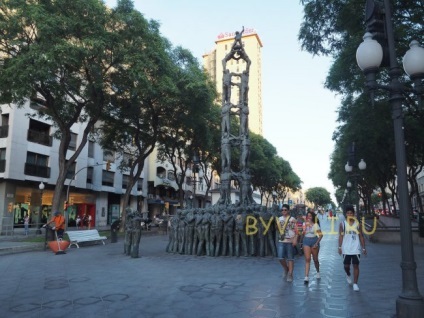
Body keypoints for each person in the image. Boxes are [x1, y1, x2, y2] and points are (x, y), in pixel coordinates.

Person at [338, 205, 367, 292]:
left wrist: (364, 248)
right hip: (346, 248)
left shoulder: (358, 224)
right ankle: (348, 273)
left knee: (356, 265)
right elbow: (341, 236)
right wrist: (339, 247)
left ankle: (355, 283)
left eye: (351, 213)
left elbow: (361, 236)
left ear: (353, 214)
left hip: (356, 248)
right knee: (346, 266)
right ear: (346, 214)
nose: (349, 214)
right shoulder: (342, 224)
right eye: (348, 213)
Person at [277, 204, 298, 282]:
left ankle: (290, 274)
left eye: (285, 210)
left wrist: (295, 239)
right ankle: (286, 269)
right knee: (280, 257)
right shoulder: (279, 219)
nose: (283, 211)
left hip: (290, 240)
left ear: (288, 211)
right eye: (282, 210)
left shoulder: (293, 219)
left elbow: (297, 231)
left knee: (290, 258)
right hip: (282, 240)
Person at [302, 210, 323, 284]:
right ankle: (306, 277)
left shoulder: (315, 225)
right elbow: (303, 233)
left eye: (310, 216)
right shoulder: (304, 224)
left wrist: (316, 243)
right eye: (308, 216)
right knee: (307, 259)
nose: (309, 217)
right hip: (306, 241)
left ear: (313, 217)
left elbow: (320, 235)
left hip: (314, 241)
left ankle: (317, 272)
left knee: (315, 259)